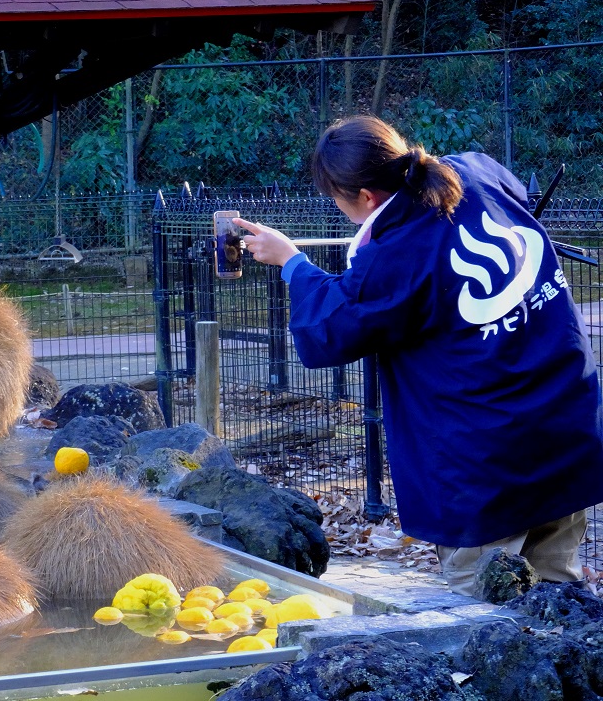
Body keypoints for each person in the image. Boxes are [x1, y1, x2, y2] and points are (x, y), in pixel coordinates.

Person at [232, 115, 603, 596]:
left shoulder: (395, 253)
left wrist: (292, 261)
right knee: (560, 599)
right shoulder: (472, 170)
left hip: (487, 460)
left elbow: (332, 325)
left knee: (488, 609)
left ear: (364, 198)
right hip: (566, 419)